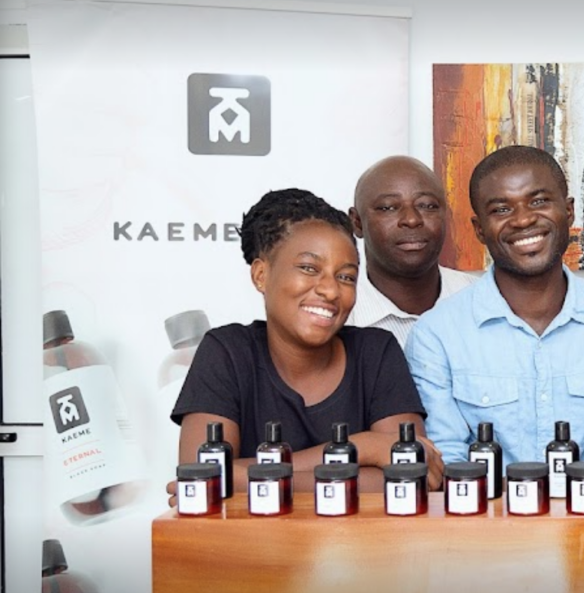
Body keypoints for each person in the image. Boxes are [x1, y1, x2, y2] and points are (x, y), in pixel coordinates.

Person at [172, 189, 442, 493]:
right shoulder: (227, 352)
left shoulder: (376, 352)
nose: (330, 290)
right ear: (261, 275)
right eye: (309, 269)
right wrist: (362, 447)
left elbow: (414, 477)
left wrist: (240, 478)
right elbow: (200, 481)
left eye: (346, 277)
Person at [407, 146, 584, 475]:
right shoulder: (435, 334)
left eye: (538, 202)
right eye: (501, 209)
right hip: (483, 508)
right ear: (479, 229)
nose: (523, 220)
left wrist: (572, 499)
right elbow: (446, 455)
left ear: (569, 211)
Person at [347, 155, 476, 347]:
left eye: (427, 206)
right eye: (388, 207)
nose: (412, 219)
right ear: (357, 223)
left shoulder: (486, 300)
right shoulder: (336, 316)